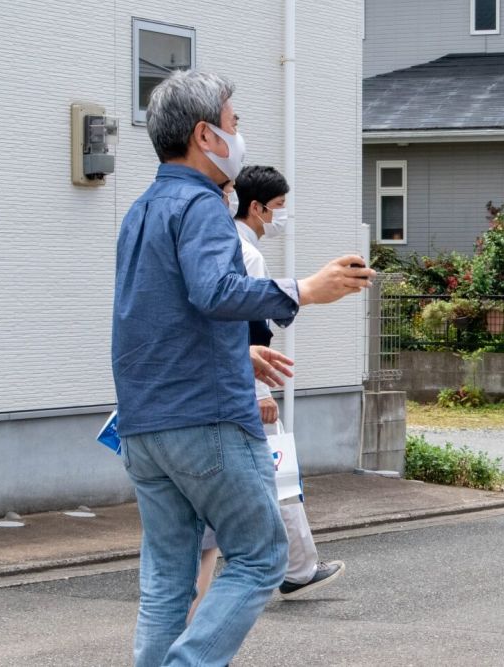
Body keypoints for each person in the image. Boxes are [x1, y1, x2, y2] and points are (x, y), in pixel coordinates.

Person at [112, 69, 374, 667]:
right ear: (205, 136)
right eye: (234, 122)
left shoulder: (141, 209)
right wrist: (304, 289)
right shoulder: (202, 206)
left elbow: (155, 313)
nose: (241, 132)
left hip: (145, 423)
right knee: (260, 555)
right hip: (207, 419)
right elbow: (216, 291)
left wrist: (238, 349)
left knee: (167, 580)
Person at [190, 167, 345, 620]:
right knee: (269, 484)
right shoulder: (245, 254)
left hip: (212, 393)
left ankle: (290, 565)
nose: (283, 218)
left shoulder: (223, 246)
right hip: (237, 391)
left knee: (235, 503)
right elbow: (248, 329)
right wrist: (258, 387)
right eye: (278, 208)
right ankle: (285, 567)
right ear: (254, 207)